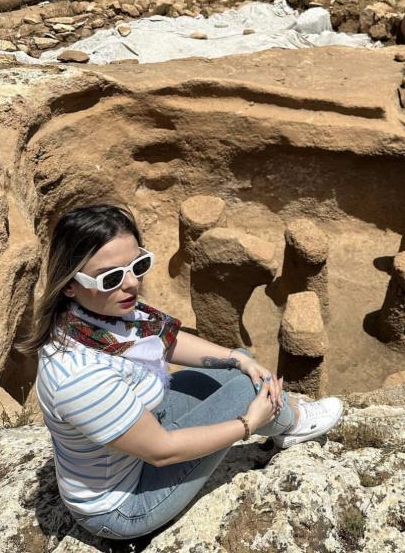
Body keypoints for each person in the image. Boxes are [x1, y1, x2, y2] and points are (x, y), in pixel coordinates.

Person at [23, 203, 343, 540]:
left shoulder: (97, 315)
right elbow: (162, 451)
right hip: (124, 503)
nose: (132, 283)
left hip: (139, 433)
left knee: (238, 367)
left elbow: (167, 341)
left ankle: (278, 415)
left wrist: (239, 360)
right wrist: (248, 424)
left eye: (138, 265)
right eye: (111, 277)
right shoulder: (80, 375)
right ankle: (289, 422)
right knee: (246, 392)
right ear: (70, 285)